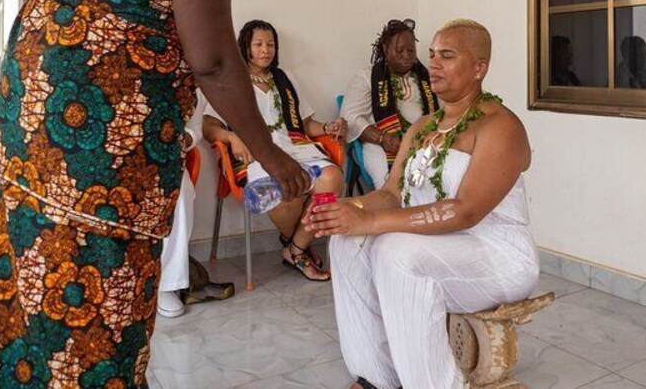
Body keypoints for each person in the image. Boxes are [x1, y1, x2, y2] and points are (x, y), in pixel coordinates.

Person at [0, 0, 316, 386]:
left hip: (27, 132)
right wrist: (271, 155)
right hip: (109, 166)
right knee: (97, 304)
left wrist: (49, 71)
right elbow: (216, 62)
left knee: (21, 275)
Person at [311, 19, 539, 389]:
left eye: (447, 56)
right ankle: (378, 378)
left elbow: (466, 210)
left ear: (479, 67)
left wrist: (371, 223)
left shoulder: (501, 127)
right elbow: (390, 194)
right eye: (431, 54)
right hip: (438, 246)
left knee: (394, 251)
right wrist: (346, 210)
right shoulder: (422, 128)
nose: (433, 64)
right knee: (346, 242)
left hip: (499, 256)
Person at [203, 20, 346, 281]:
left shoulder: (285, 78)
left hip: (296, 146)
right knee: (281, 192)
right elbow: (209, 127)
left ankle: (295, 248)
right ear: (245, 47)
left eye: (270, 44)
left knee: (333, 179)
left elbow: (305, 124)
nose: (265, 50)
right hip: (258, 153)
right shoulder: (232, 81)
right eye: (258, 44)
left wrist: (328, 125)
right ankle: (299, 248)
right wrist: (231, 136)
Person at [340, 18, 439, 188]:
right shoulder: (367, 76)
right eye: (400, 50)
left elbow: (440, 114)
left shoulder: (424, 77)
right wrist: (382, 138)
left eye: (411, 50)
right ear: (385, 49)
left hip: (421, 142)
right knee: (391, 183)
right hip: (379, 144)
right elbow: (349, 117)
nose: (407, 55)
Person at [158, 90, 205, 318]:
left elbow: (195, 130)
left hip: (165, 158)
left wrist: (182, 138)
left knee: (181, 194)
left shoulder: (192, 84)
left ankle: (166, 284)